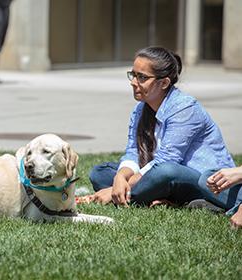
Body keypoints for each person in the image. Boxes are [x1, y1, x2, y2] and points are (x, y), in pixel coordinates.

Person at [77, 46, 235, 208]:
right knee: (101, 172)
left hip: (203, 181)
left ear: (164, 83)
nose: (133, 82)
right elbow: (133, 153)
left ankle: (124, 196)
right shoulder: (141, 108)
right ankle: (151, 196)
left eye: (142, 77)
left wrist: (113, 189)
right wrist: (119, 178)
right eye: (133, 75)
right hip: (157, 175)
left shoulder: (185, 108)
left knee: (166, 171)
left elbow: (167, 161)